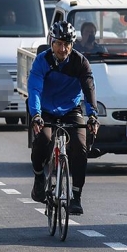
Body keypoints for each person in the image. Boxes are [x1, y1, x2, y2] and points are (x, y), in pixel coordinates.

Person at [28, 21, 100, 214]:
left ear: (72, 44)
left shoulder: (80, 62)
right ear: (51, 43)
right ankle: (39, 178)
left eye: (67, 43)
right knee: (43, 139)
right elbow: (34, 89)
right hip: (44, 109)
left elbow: (89, 89)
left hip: (70, 108)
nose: (63, 48)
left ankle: (76, 196)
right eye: (59, 43)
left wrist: (93, 116)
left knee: (80, 145)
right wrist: (35, 115)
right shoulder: (42, 61)